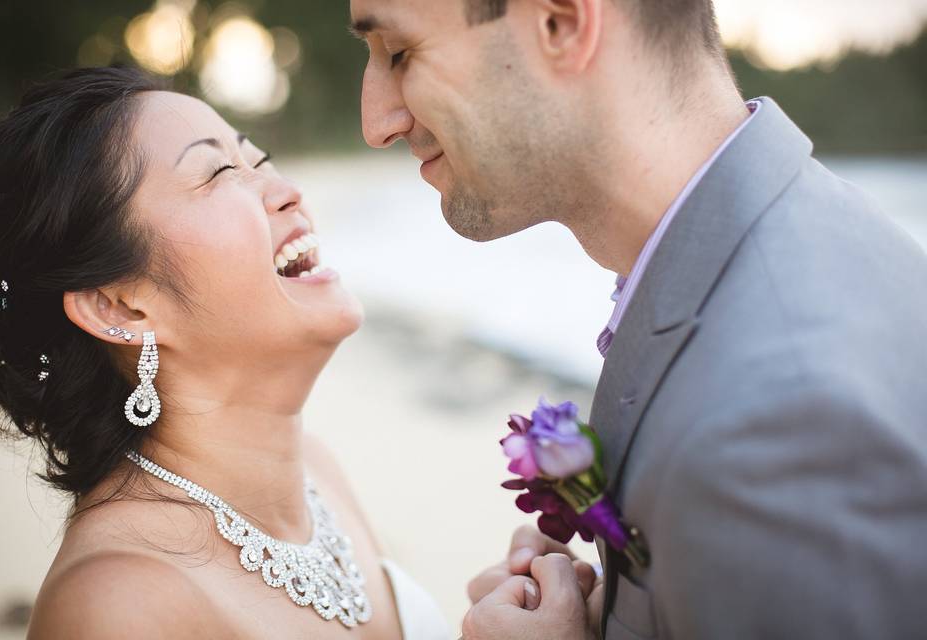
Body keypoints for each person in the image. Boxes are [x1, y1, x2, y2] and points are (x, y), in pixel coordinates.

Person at [350, 0, 927, 638]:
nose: (377, 121)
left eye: (400, 53)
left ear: (561, 23)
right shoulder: (796, 245)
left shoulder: (782, 423)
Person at [0, 66, 451, 639]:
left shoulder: (317, 473)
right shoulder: (117, 608)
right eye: (221, 170)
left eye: (259, 159)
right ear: (120, 307)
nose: (287, 189)